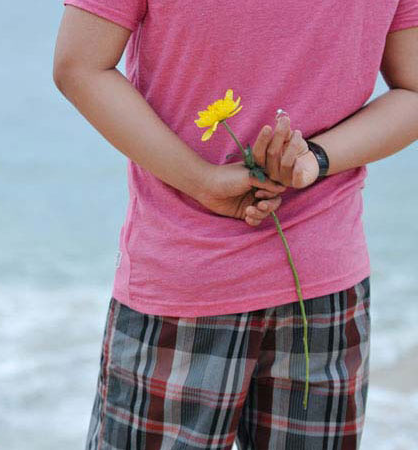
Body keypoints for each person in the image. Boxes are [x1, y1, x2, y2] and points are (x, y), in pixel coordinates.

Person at [53, 1, 418, 449]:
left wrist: (203, 180)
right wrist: (313, 160)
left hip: (197, 276)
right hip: (317, 281)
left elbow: (79, 66)